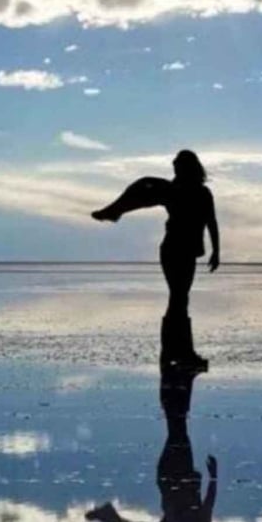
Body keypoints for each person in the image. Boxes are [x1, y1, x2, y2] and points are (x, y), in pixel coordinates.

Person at [86, 364, 218, 522]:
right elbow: (208, 504)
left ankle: (182, 378)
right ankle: (183, 378)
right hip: (184, 474)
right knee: (177, 422)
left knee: (176, 423)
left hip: (168, 477)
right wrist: (213, 477)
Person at [92, 149, 219, 368]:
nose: (175, 168)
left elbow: (211, 221)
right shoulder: (174, 190)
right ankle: (179, 352)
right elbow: (144, 194)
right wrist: (120, 207)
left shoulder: (199, 193)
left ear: (188, 168)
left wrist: (217, 250)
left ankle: (175, 351)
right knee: (179, 298)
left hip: (186, 251)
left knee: (179, 298)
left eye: (178, 165)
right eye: (174, 165)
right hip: (172, 250)